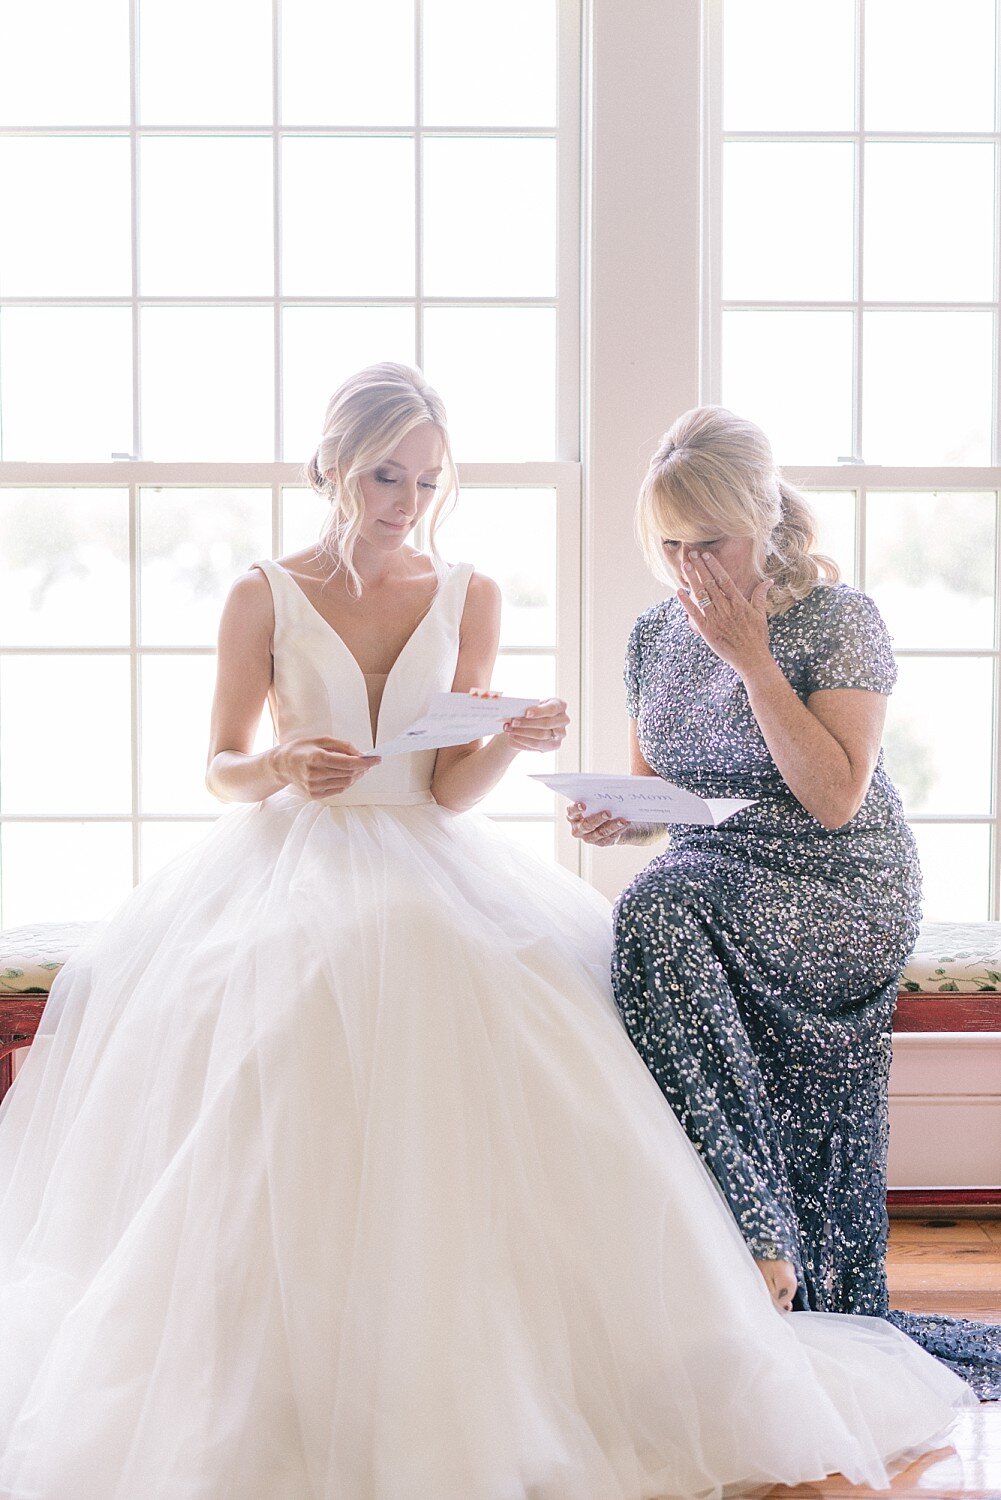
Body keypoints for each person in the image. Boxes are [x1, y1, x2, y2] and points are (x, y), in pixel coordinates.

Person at [0, 369, 975, 1499]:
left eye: (424, 478)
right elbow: (221, 761)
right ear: (329, 467)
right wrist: (278, 766)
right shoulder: (261, 594)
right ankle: (282, 1341)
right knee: (296, 997)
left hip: (443, 851)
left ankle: (684, 1282)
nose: (405, 498)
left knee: (510, 975)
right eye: (383, 475)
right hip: (286, 856)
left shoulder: (470, 592)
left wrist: (509, 741)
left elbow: (448, 792)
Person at [570, 404, 1001, 1399]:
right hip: (714, 875)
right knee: (653, 901)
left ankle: (758, 1239)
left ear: (761, 520)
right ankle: (724, 1249)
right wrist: (617, 816)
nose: (694, 571)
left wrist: (750, 658)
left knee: (658, 908)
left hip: (839, 882)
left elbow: (833, 796)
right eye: (671, 547)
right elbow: (672, 799)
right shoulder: (651, 634)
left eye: (710, 542)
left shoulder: (834, 618)